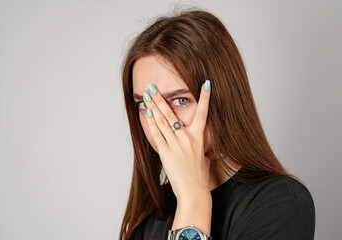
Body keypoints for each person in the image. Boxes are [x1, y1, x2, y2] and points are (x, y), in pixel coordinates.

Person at [118, 6, 315, 240]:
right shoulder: (152, 214)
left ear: (223, 100)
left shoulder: (282, 203)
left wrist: (193, 198)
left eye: (180, 100)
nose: (159, 122)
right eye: (145, 104)